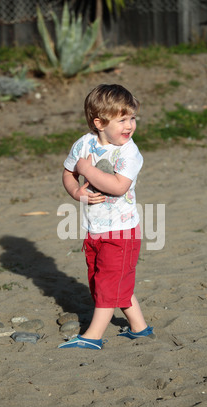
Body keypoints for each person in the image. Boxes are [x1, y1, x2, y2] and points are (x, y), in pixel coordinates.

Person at [59, 84, 154, 349]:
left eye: (132, 118)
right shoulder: (84, 144)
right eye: (122, 119)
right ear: (99, 123)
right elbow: (68, 172)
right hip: (94, 230)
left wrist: (87, 170)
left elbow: (118, 186)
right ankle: (140, 328)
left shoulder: (128, 152)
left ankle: (92, 336)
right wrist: (77, 192)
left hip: (122, 232)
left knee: (106, 284)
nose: (129, 125)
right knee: (107, 281)